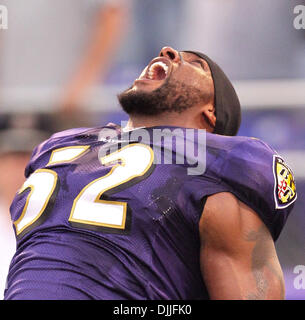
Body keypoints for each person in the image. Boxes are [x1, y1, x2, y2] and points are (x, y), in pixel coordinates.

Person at [4, 47, 297, 300]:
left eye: (196, 64)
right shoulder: (61, 144)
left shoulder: (219, 163)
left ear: (212, 113)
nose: (167, 51)